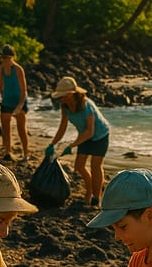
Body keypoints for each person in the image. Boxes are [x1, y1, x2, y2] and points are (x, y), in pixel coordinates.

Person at [45, 76, 110, 207]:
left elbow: (90, 131)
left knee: (95, 166)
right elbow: (63, 126)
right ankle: (89, 191)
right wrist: (52, 144)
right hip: (84, 136)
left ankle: (96, 198)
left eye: (63, 95)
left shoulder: (86, 105)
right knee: (79, 167)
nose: (60, 98)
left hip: (100, 136)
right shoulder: (65, 106)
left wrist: (71, 146)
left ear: (71, 94)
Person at [0, 44, 30, 161]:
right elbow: (0, 85)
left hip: (19, 100)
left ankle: (26, 153)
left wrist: (20, 105)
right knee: (5, 128)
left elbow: (24, 90)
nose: (4, 60)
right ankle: (7, 151)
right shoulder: (1, 68)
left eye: (6, 58)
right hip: (6, 100)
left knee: (21, 129)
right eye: (3, 57)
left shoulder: (18, 69)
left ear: (12, 57)